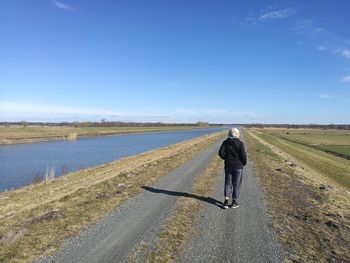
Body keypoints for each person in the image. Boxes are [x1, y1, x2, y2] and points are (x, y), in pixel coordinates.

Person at [218, 128, 247, 209]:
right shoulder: (240, 143)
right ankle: (234, 202)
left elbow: (221, 153)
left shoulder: (225, 142)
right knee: (237, 184)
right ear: (237, 134)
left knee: (228, 183)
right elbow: (243, 156)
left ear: (229, 134)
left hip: (228, 166)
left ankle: (226, 202)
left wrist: (226, 158)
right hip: (238, 167)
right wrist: (243, 163)